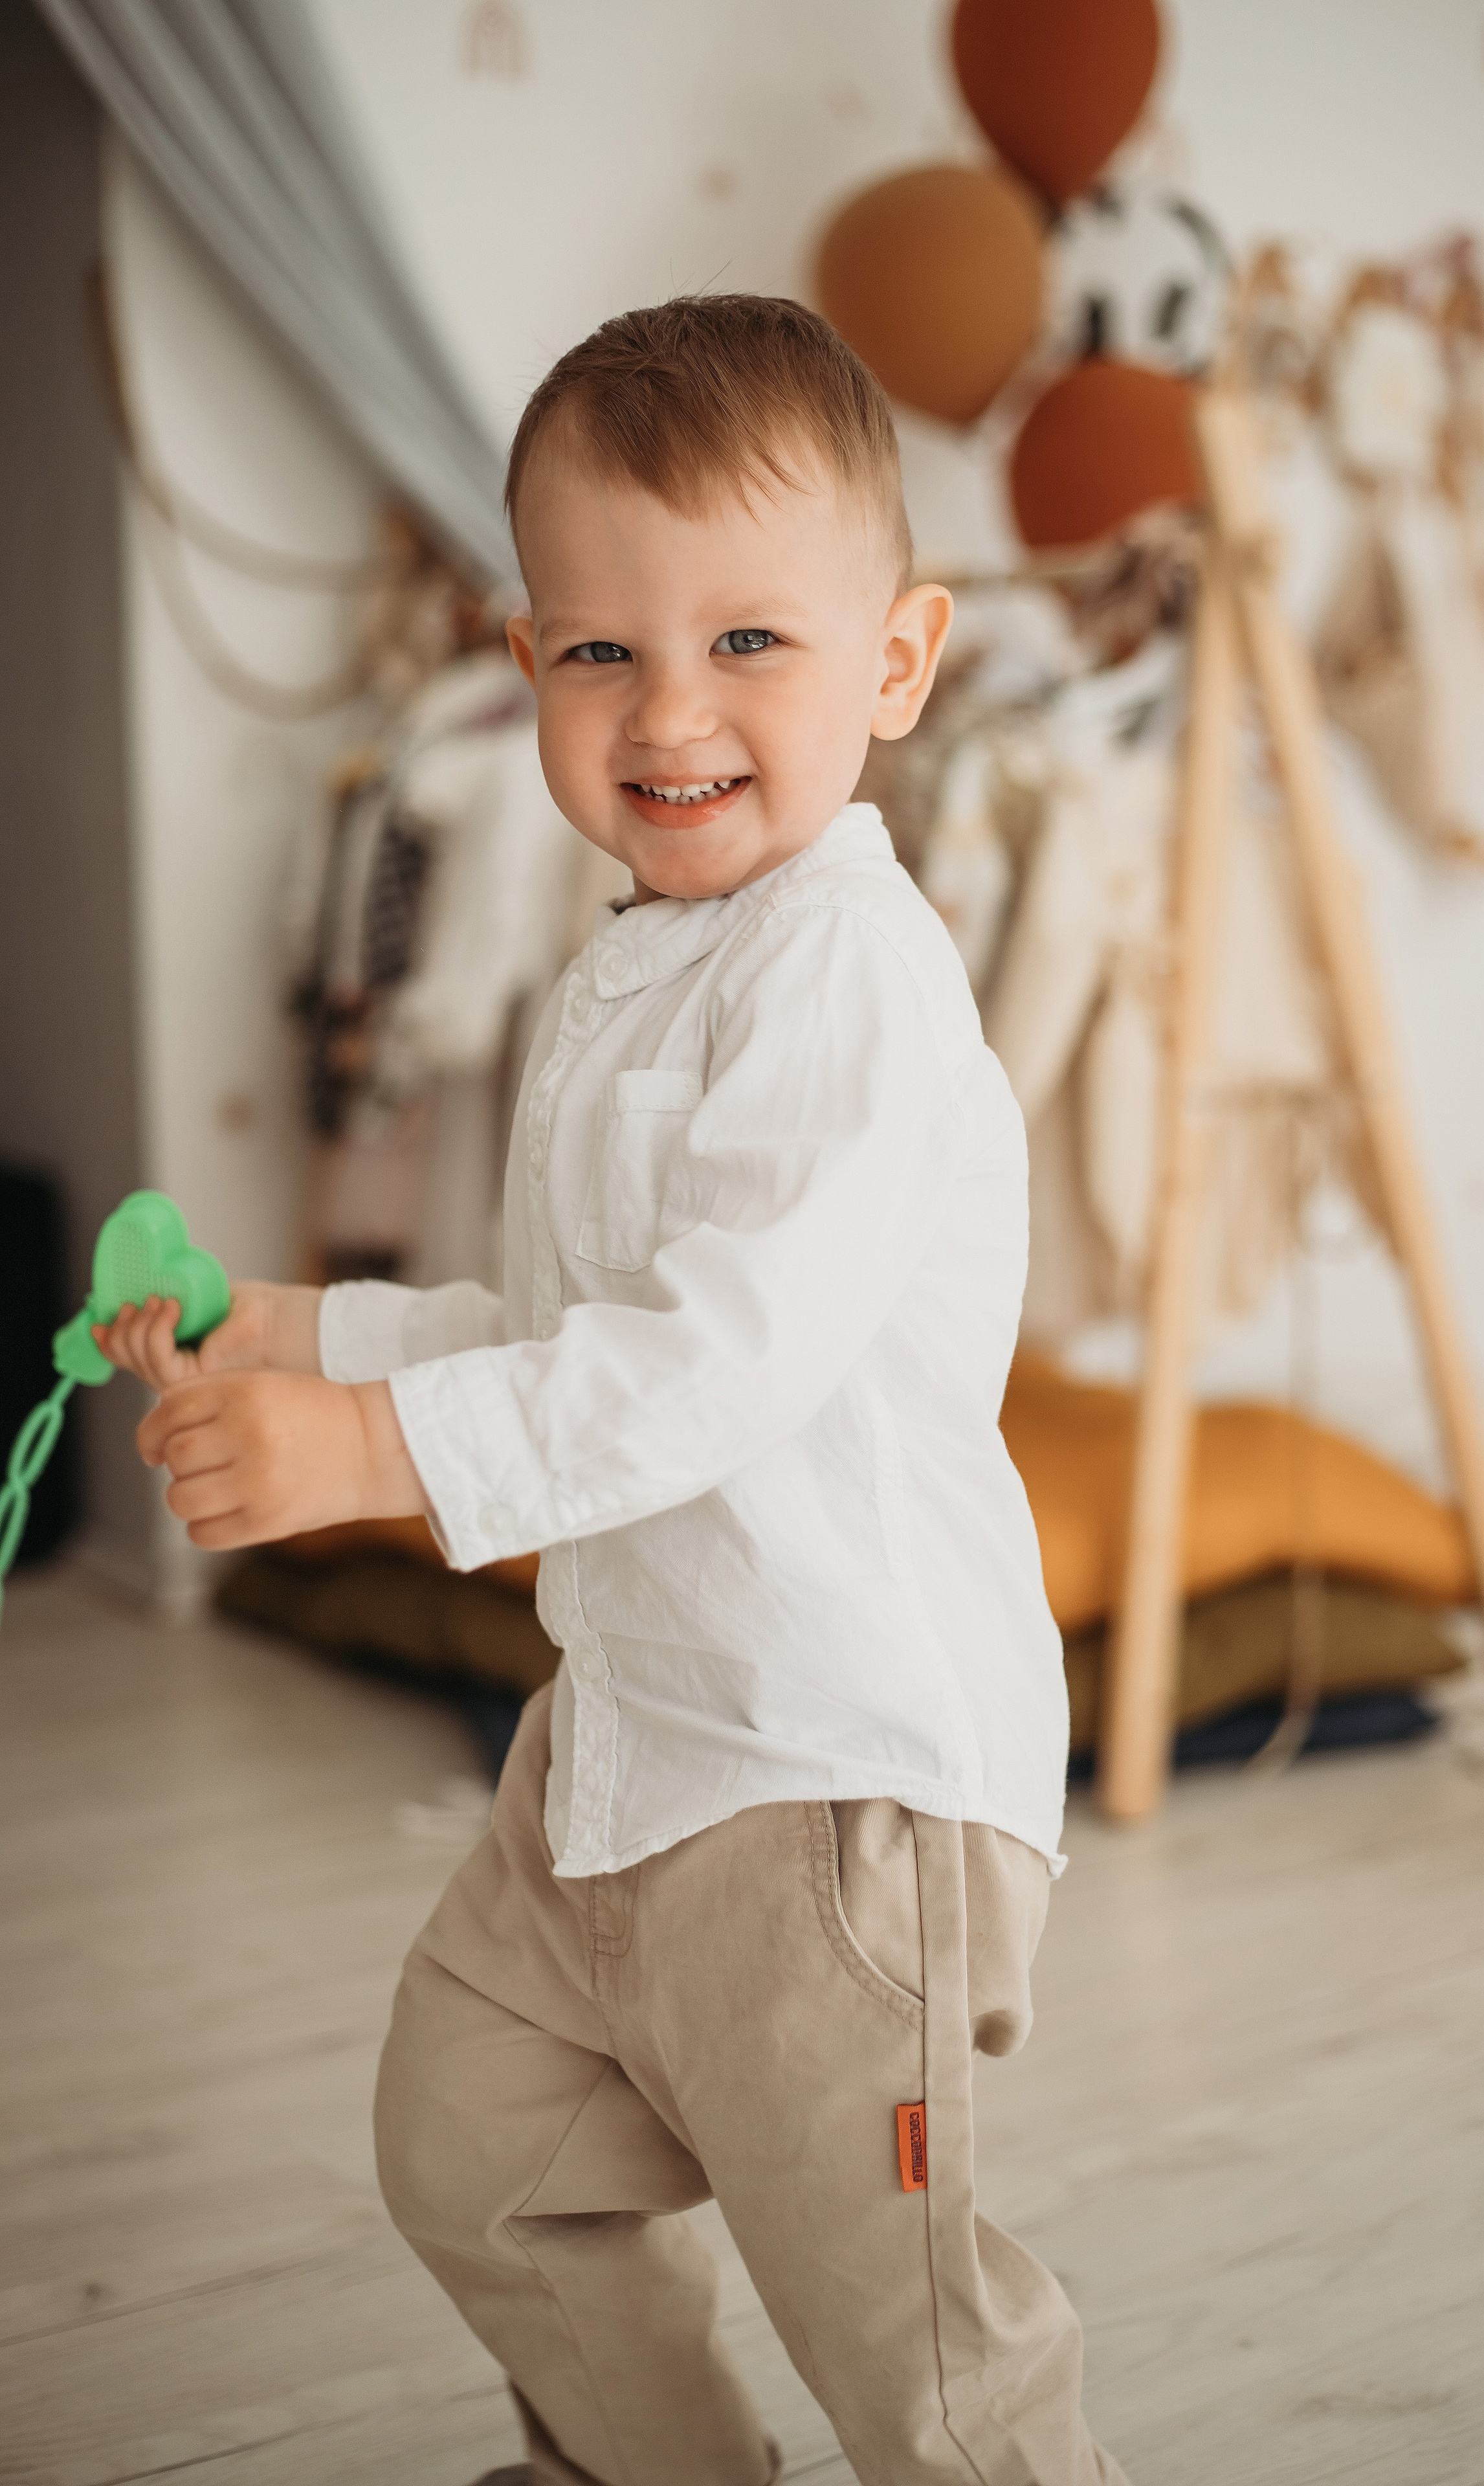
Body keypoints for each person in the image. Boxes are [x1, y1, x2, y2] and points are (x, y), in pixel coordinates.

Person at [94, 295, 1130, 2486]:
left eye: (752, 641)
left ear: (899, 664)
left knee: (908, 2336)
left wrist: (376, 1454)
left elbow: (716, 1358)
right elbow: (578, 1327)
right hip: (629, 1752)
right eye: (599, 654)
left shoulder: (850, 969)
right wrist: (313, 1333)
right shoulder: (642, 951)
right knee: (472, 2144)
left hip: (838, 1803)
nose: (670, 713)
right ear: (526, 658)